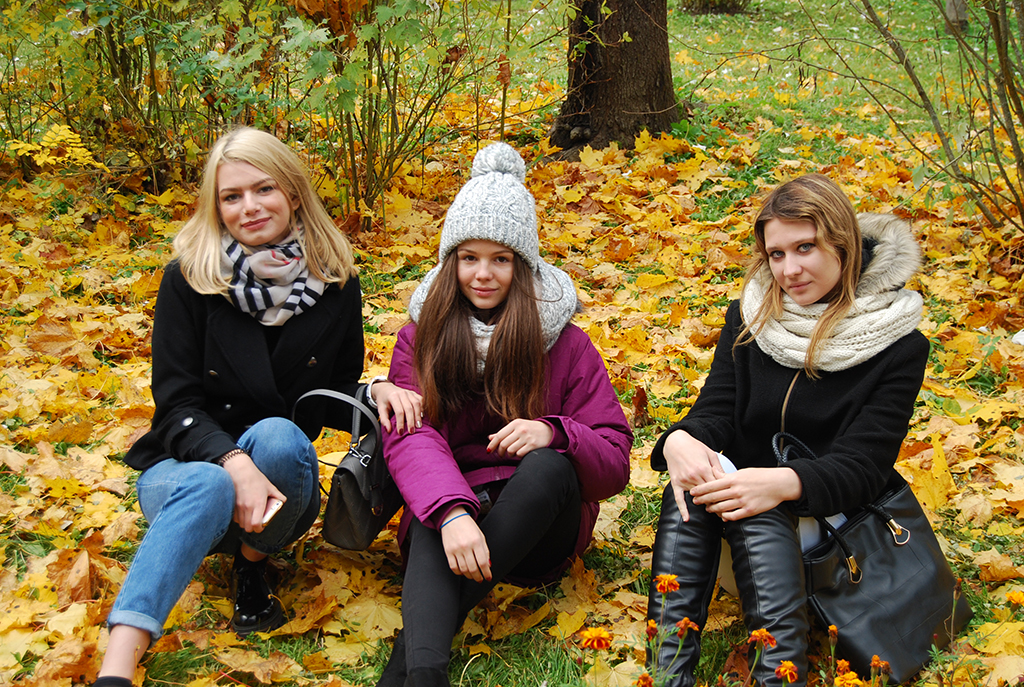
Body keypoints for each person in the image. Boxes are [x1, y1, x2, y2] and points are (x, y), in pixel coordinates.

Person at [92, 127, 417, 687]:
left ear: (292, 192)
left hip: (281, 488)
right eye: (231, 196)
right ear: (216, 207)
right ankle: (119, 664)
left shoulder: (335, 282)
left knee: (280, 434)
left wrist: (375, 392)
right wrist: (231, 461)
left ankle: (251, 567)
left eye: (263, 189)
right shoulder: (189, 279)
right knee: (210, 482)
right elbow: (175, 406)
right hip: (185, 469)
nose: (249, 207)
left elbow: (329, 391)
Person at [646, 174, 929, 687]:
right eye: (776, 254)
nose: (789, 270)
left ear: (843, 244)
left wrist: (780, 483)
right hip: (737, 527)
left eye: (805, 248)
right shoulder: (751, 317)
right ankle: (667, 674)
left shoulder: (898, 344)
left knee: (757, 504)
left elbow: (864, 467)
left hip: (830, 527)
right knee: (690, 481)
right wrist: (680, 440)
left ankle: (779, 677)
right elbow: (718, 411)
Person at [372, 142, 633, 687]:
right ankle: (421, 675)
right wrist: (452, 514)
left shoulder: (567, 344)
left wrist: (554, 433)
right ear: (451, 262)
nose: (483, 274)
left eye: (501, 259)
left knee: (549, 465)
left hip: (540, 531)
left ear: (524, 264)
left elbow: (613, 463)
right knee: (433, 504)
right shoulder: (420, 339)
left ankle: (416, 640)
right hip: (452, 528)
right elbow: (412, 438)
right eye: (469, 258)